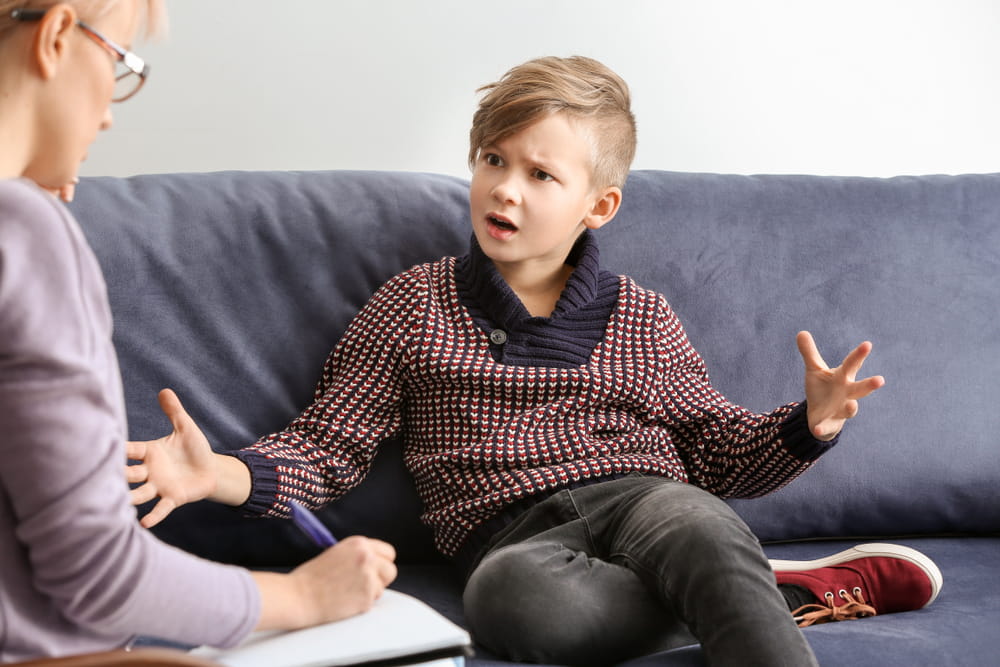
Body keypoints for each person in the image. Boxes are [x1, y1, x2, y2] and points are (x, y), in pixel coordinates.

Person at [128, 56, 941, 666]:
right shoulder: (414, 303)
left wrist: (809, 423)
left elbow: (719, 451)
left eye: (539, 173)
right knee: (511, 606)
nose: (504, 189)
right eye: (492, 160)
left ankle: (732, 582)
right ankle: (754, 591)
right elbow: (325, 446)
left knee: (700, 523)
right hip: (511, 541)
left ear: (598, 205)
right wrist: (218, 473)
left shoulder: (642, 316)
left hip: (647, 500)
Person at [0, 2, 397, 662]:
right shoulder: (26, 236)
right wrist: (302, 596)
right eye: (121, 62)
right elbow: (98, 573)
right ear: (57, 36)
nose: (107, 113)